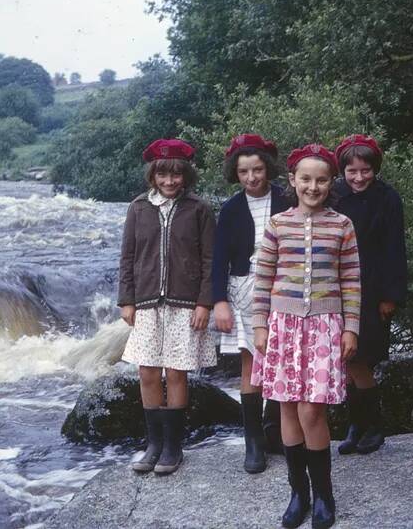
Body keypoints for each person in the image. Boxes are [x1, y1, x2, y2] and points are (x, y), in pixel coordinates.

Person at [252, 144, 360, 529]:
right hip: (283, 325)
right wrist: (260, 325)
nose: (312, 187)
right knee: (286, 407)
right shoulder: (278, 224)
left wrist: (351, 327)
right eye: (305, 179)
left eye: (320, 180)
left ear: (331, 183)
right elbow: (263, 280)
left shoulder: (342, 225)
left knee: (313, 409)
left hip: (324, 326)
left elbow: (351, 281)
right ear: (293, 181)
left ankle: (324, 496)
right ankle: (297, 493)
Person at [118, 138, 216, 476]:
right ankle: (153, 444)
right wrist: (126, 300)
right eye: (163, 175)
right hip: (145, 302)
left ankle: (174, 447)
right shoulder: (138, 208)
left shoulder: (199, 209)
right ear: (153, 175)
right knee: (147, 371)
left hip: (185, 303)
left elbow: (210, 260)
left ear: (186, 175)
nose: (170, 181)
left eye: (176, 175)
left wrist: (205, 302)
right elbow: (127, 257)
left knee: (176, 372)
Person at [212, 133, 291, 473]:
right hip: (244, 287)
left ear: (268, 168)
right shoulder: (230, 209)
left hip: (285, 285)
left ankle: (276, 432)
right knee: (252, 363)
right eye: (244, 172)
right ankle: (254, 443)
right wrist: (219, 302)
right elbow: (218, 260)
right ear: (236, 172)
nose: (252, 178)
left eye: (257, 169)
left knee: (283, 359)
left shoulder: (288, 198)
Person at [330, 134, 407, 456]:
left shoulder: (388, 198)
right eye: (352, 171)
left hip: (372, 286)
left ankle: (372, 425)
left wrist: (391, 295)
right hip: (334, 285)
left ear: (374, 169)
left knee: (360, 358)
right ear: (342, 172)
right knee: (343, 359)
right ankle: (356, 425)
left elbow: (394, 249)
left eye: (365, 170)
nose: (359, 177)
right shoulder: (333, 194)